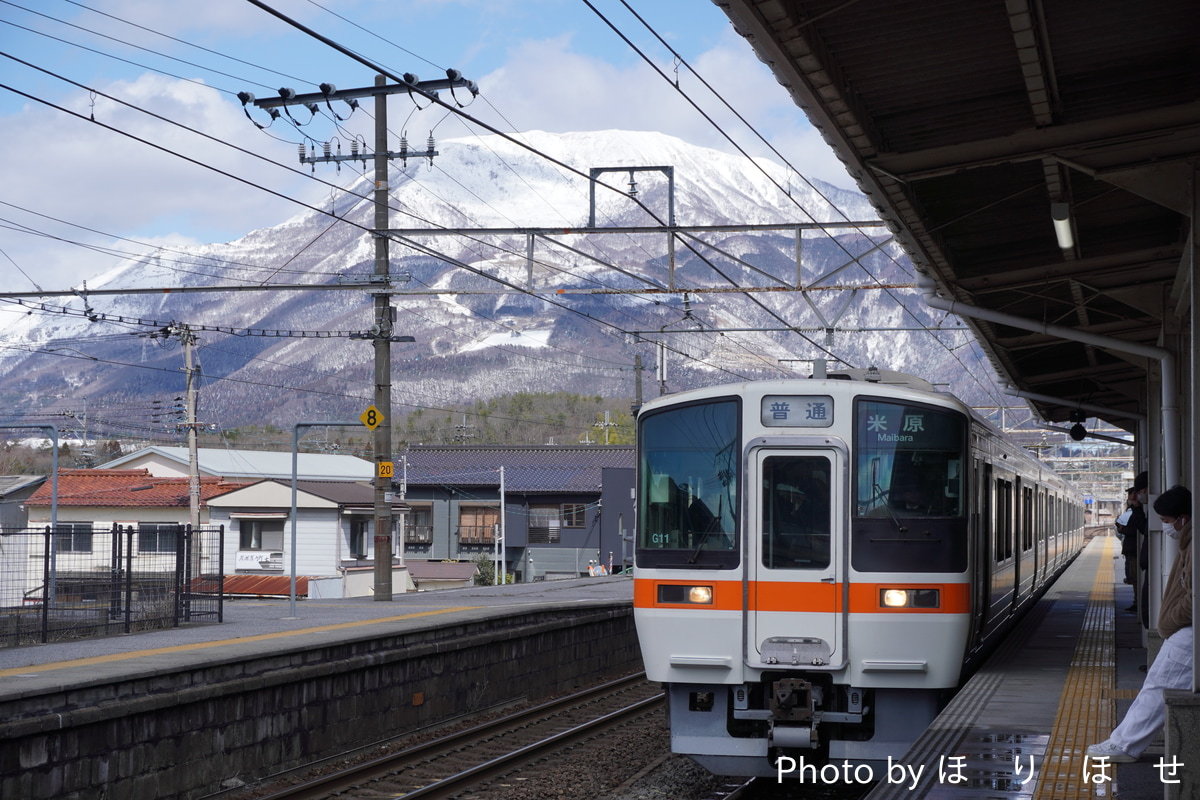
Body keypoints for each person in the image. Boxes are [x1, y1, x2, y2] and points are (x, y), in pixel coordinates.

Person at [1087, 484, 1192, 762]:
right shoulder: (1190, 540)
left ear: (1183, 518)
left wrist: (1170, 620)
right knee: (1156, 686)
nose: (1167, 528)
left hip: (1191, 634)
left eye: (1168, 522)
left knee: (1157, 687)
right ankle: (1123, 743)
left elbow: (1194, 598)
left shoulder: (1195, 544)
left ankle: (1125, 746)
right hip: (1187, 631)